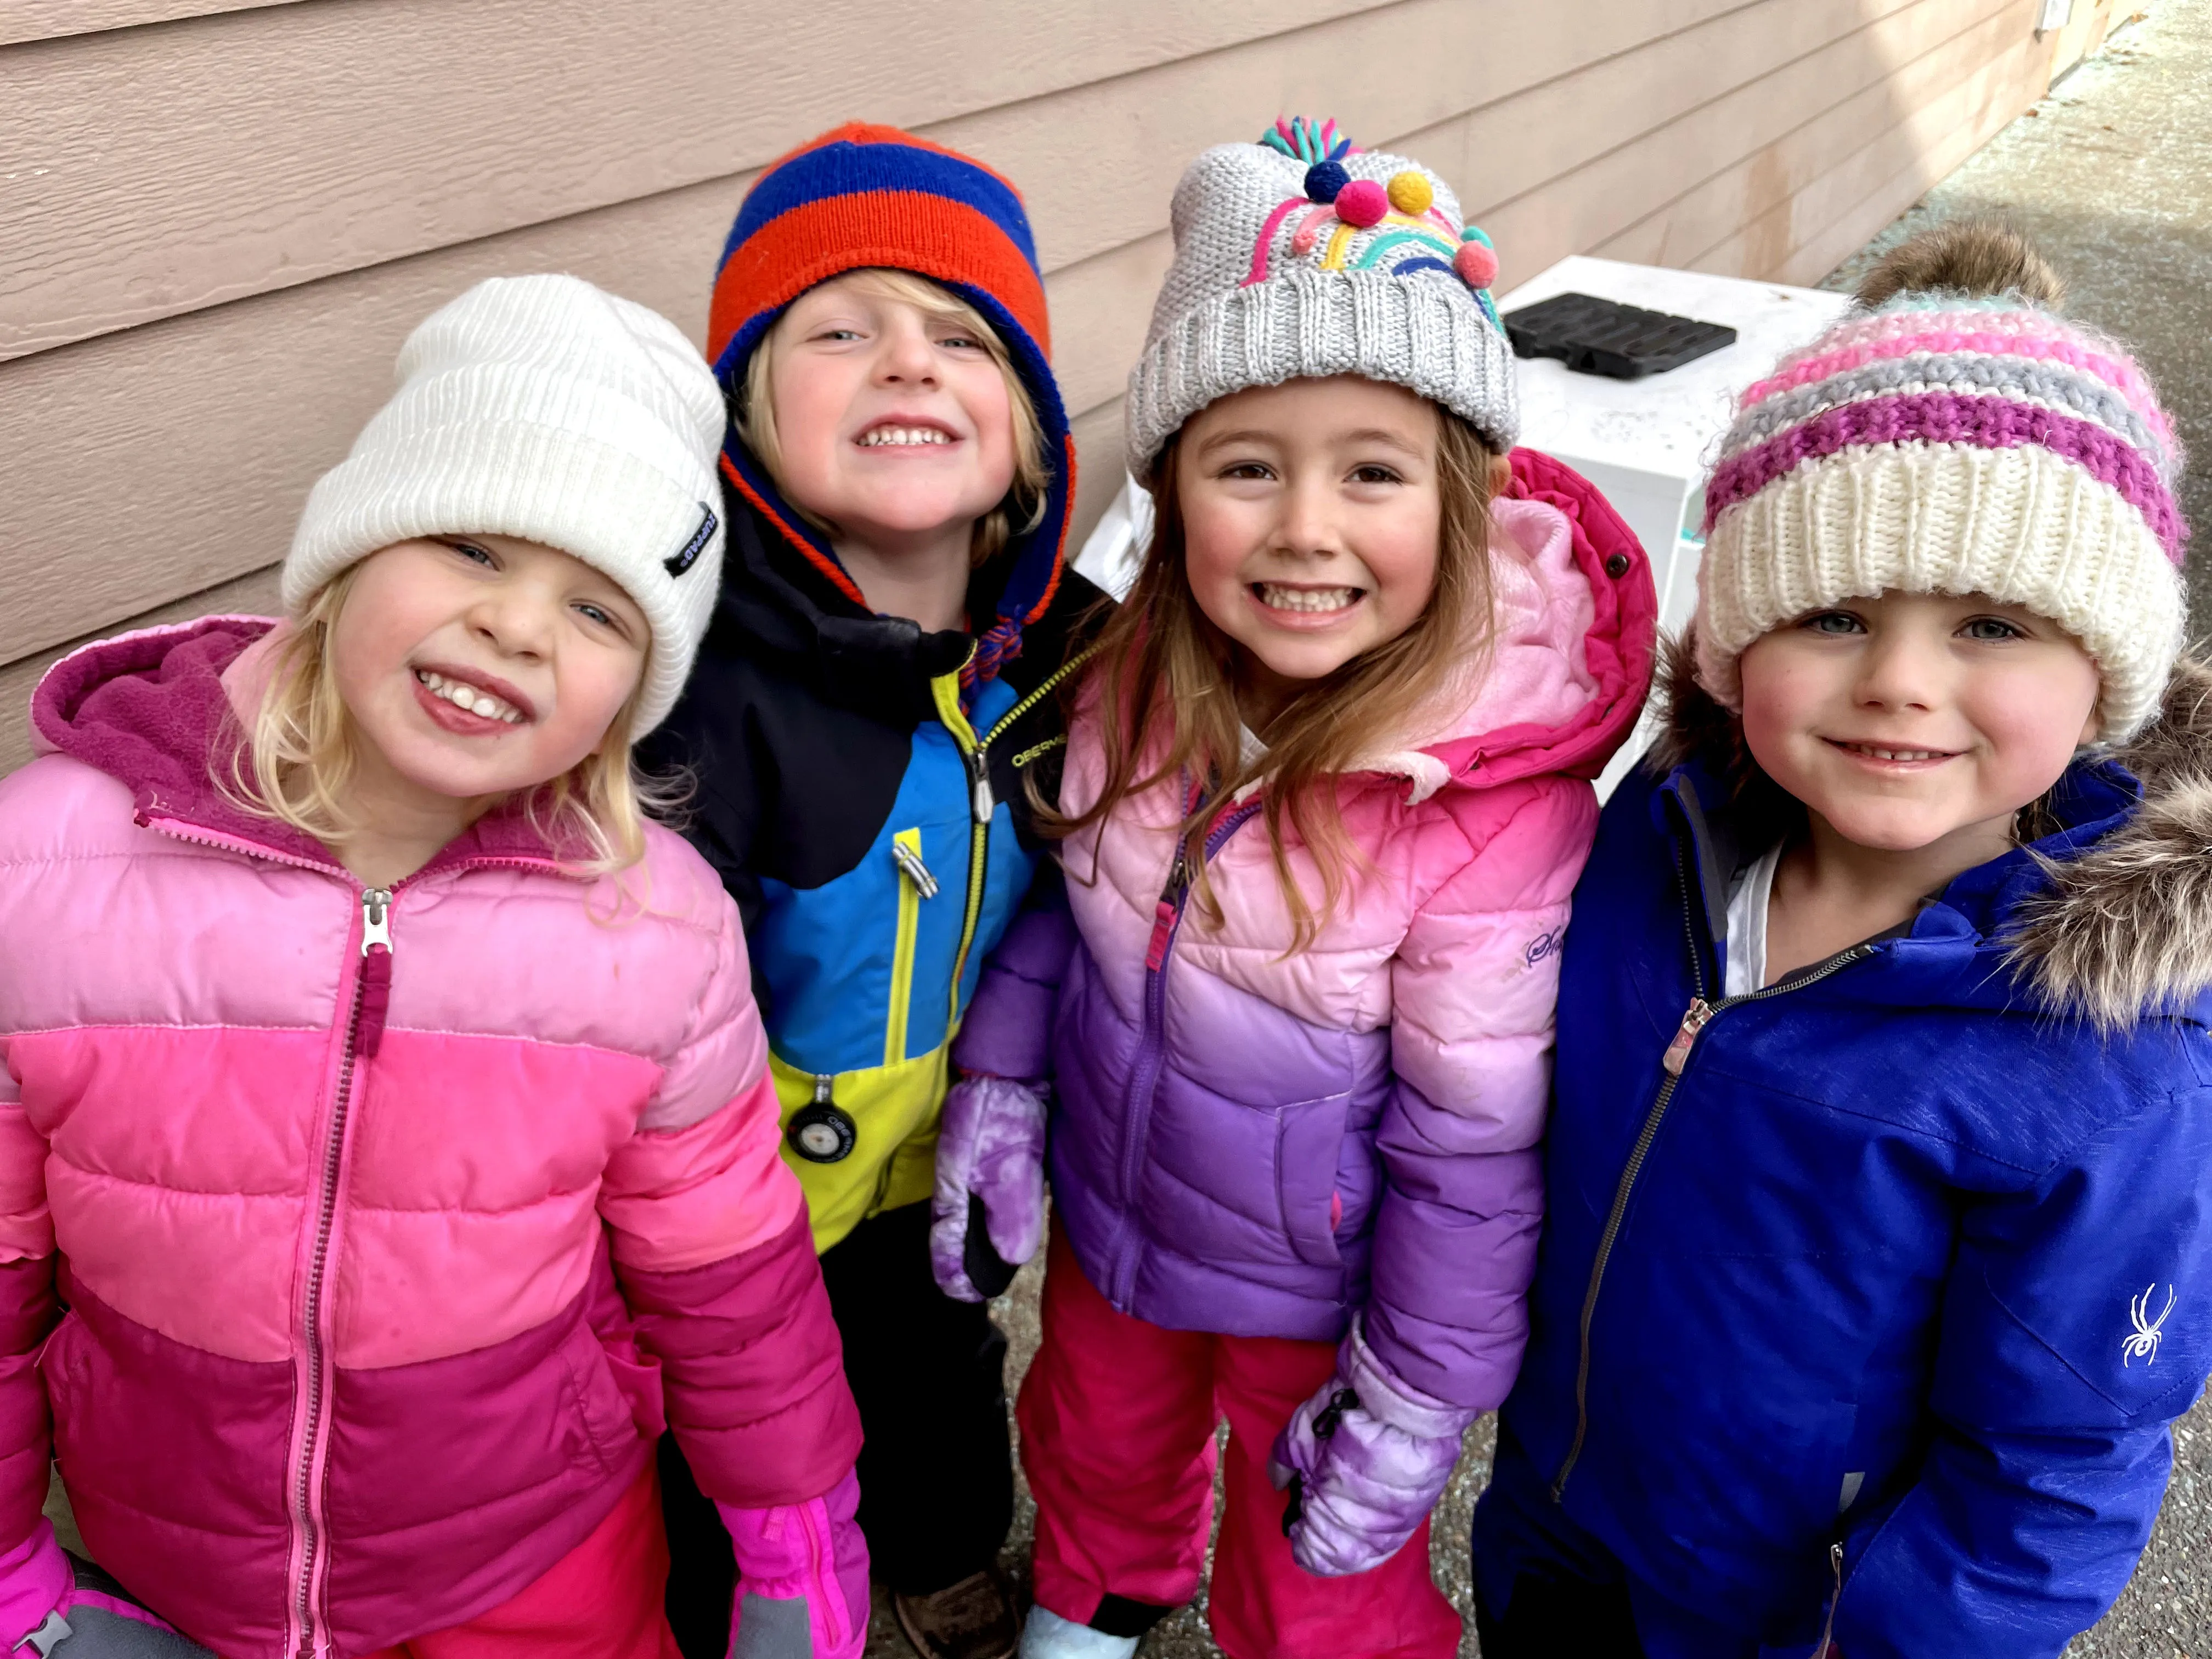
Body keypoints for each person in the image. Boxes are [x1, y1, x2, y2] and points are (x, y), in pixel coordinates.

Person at [0, 275, 865, 1659]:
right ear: (347, 556)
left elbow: (733, 1276)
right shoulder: (46, 869)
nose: (519, 626)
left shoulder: (653, 930)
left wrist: (796, 1536)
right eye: (471, 546)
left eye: (599, 611)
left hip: (539, 1553)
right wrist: (12, 1578)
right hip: (176, 1553)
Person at [940, 118, 1657, 1659]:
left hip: (1321, 1303)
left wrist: (1415, 1387)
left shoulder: (1484, 808)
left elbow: (1475, 1145)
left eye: (1374, 472)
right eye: (1248, 467)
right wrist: (1001, 1089)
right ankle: (1087, 1617)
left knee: (1312, 1569)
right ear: (1177, 491)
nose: (1307, 528)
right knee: (1091, 1444)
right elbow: (1071, 916)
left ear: (1463, 496)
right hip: (1120, 1232)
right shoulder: (1136, 676)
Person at [1471, 222, 2212, 1659]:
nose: (1900, 685)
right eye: (1834, 611)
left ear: (2105, 667)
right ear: (1736, 641)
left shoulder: (2107, 1062)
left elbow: (2059, 1460)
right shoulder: (1649, 844)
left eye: (1993, 623)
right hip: (1553, 1514)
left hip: (1782, 1621)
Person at [643, 124, 1104, 1659]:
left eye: (963, 337)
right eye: (838, 331)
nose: (907, 362)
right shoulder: (708, 691)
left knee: (939, 1359)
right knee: (729, 1423)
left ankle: (944, 1547)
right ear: (745, 423)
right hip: (751, 1180)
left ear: (1031, 439)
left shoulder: (1077, 661)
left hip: (957, 1143)